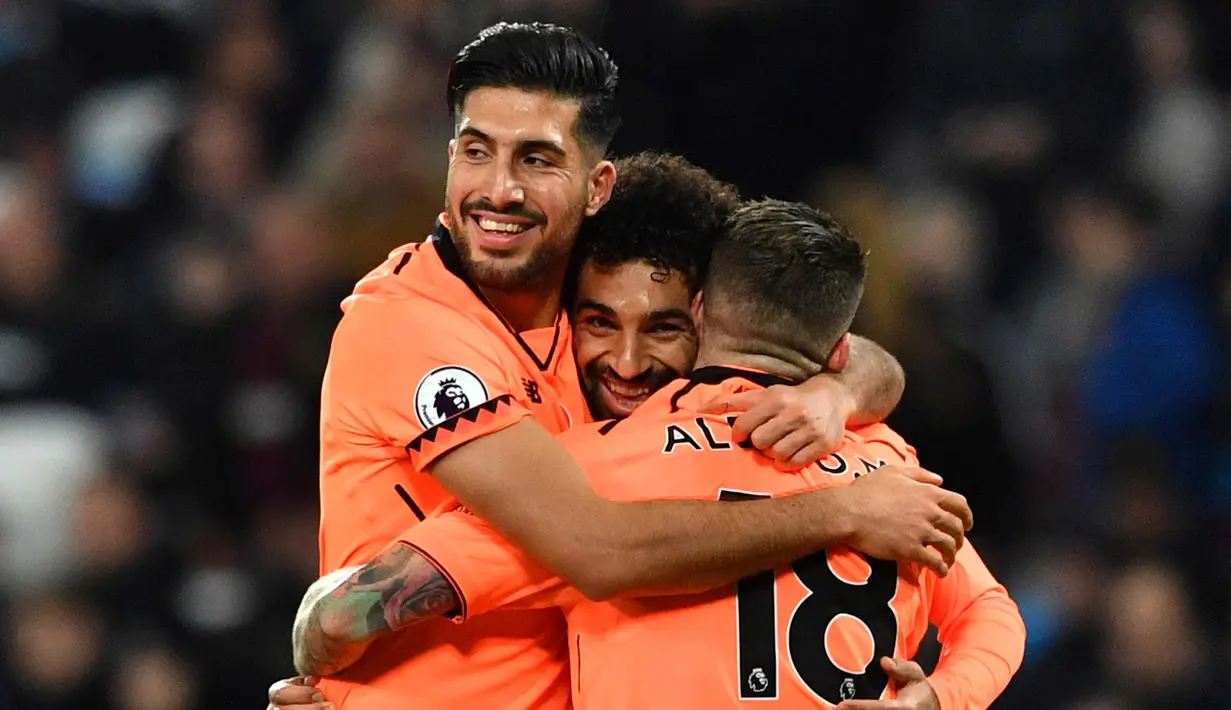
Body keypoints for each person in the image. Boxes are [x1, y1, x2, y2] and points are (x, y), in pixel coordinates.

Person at [311, 22, 972, 710]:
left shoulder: (598, 298)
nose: (499, 190)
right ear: (450, 157)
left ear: (596, 185)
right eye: (478, 152)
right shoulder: (409, 326)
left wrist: (836, 389)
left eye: (536, 159)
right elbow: (597, 552)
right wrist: (841, 511)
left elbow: (826, 337)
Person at [282, 199, 1025, 709]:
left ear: (701, 314)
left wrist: (342, 683)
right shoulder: (885, 466)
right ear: (833, 351)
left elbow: (346, 614)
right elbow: (991, 615)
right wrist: (937, 696)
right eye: (600, 323)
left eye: (659, 328)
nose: (630, 362)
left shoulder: (592, 470)